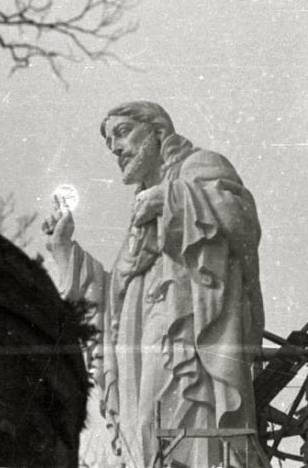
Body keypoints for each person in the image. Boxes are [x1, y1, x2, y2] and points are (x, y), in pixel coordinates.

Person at [43, 101, 265, 468]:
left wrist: (172, 199)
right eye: (109, 141)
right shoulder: (139, 218)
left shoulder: (199, 166)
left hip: (191, 344)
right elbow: (114, 305)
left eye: (123, 132)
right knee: (147, 435)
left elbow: (243, 224)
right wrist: (66, 251)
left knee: (180, 434)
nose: (115, 147)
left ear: (158, 131)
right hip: (144, 348)